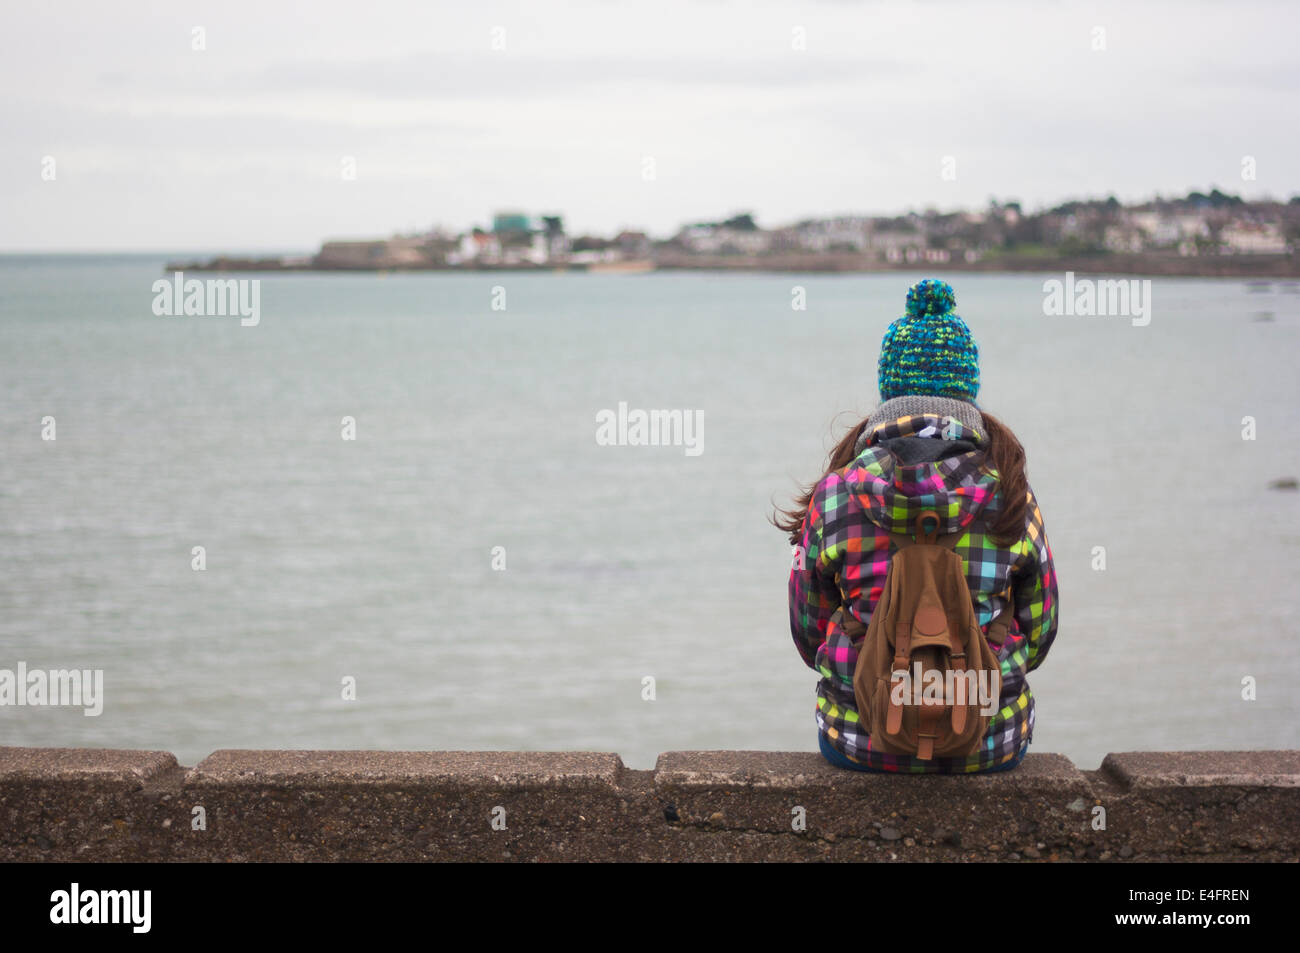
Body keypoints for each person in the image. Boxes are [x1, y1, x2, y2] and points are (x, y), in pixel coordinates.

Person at [775, 278, 1059, 774]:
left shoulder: (837, 492)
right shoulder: (1010, 491)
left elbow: (808, 631)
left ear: (889, 390)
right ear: (968, 390)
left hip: (860, 741)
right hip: (990, 743)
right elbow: (1040, 632)